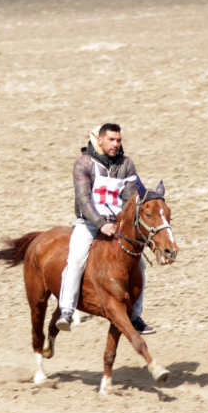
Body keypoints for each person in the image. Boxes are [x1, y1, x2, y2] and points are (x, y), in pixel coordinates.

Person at [55, 123, 153, 335]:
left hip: (118, 225)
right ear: (99, 140)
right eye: (111, 140)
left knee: (140, 266)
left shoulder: (127, 165)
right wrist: (101, 224)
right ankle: (66, 310)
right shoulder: (83, 163)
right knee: (76, 260)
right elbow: (83, 199)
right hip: (89, 223)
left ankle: (135, 316)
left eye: (118, 140)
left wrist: (123, 225)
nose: (116, 144)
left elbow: (129, 199)